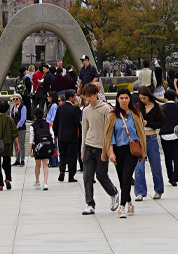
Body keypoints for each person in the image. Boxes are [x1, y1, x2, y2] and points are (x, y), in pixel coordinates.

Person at [79, 82, 120, 215]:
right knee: (87, 176)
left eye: (90, 96)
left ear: (96, 94)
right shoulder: (85, 110)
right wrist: (82, 150)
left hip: (102, 147)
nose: (88, 99)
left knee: (101, 175)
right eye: (86, 96)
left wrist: (110, 148)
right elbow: (84, 130)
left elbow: (110, 128)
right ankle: (90, 204)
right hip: (89, 146)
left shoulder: (105, 109)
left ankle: (113, 192)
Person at [105, 90, 145, 218]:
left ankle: (122, 207)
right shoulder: (112, 115)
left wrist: (143, 151)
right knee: (122, 178)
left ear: (130, 99)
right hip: (118, 149)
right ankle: (129, 202)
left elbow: (141, 133)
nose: (124, 100)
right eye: (121, 98)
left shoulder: (136, 114)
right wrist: (110, 152)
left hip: (132, 149)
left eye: (126, 98)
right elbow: (109, 135)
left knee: (127, 176)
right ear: (117, 99)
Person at [133, 86, 165, 201]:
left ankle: (158, 189)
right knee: (139, 167)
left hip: (151, 137)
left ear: (149, 96)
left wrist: (148, 123)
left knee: (155, 165)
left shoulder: (156, 107)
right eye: (140, 98)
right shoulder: (138, 107)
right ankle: (140, 192)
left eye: (144, 98)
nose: (142, 100)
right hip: (140, 138)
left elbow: (161, 122)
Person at [53, 92, 81, 182]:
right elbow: (77, 123)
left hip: (62, 135)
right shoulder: (75, 109)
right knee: (72, 156)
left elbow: (56, 122)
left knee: (63, 154)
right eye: (74, 96)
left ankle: (62, 171)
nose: (75, 98)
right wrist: (80, 132)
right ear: (71, 97)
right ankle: (71, 176)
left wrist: (56, 133)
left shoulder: (60, 108)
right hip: (72, 135)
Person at [159, 95, 178, 187]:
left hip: (165, 135)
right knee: (177, 157)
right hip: (176, 134)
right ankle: (175, 177)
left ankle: (170, 176)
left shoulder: (162, 108)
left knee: (168, 157)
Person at [31, 109, 55, 189]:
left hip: (38, 146)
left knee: (37, 165)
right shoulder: (47, 124)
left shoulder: (33, 125)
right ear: (43, 115)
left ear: (34, 116)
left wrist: (30, 150)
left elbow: (31, 138)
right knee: (45, 164)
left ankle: (37, 181)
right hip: (47, 146)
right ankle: (45, 182)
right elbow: (52, 135)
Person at [10, 94, 28, 167]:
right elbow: (11, 117)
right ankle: (17, 159)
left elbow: (23, 118)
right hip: (14, 127)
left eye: (16, 99)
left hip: (21, 128)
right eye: (13, 99)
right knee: (15, 144)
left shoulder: (23, 107)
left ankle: (22, 159)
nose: (15, 100)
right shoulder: (12, 107)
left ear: (20, 99)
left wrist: (18, 126)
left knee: (21, 143)